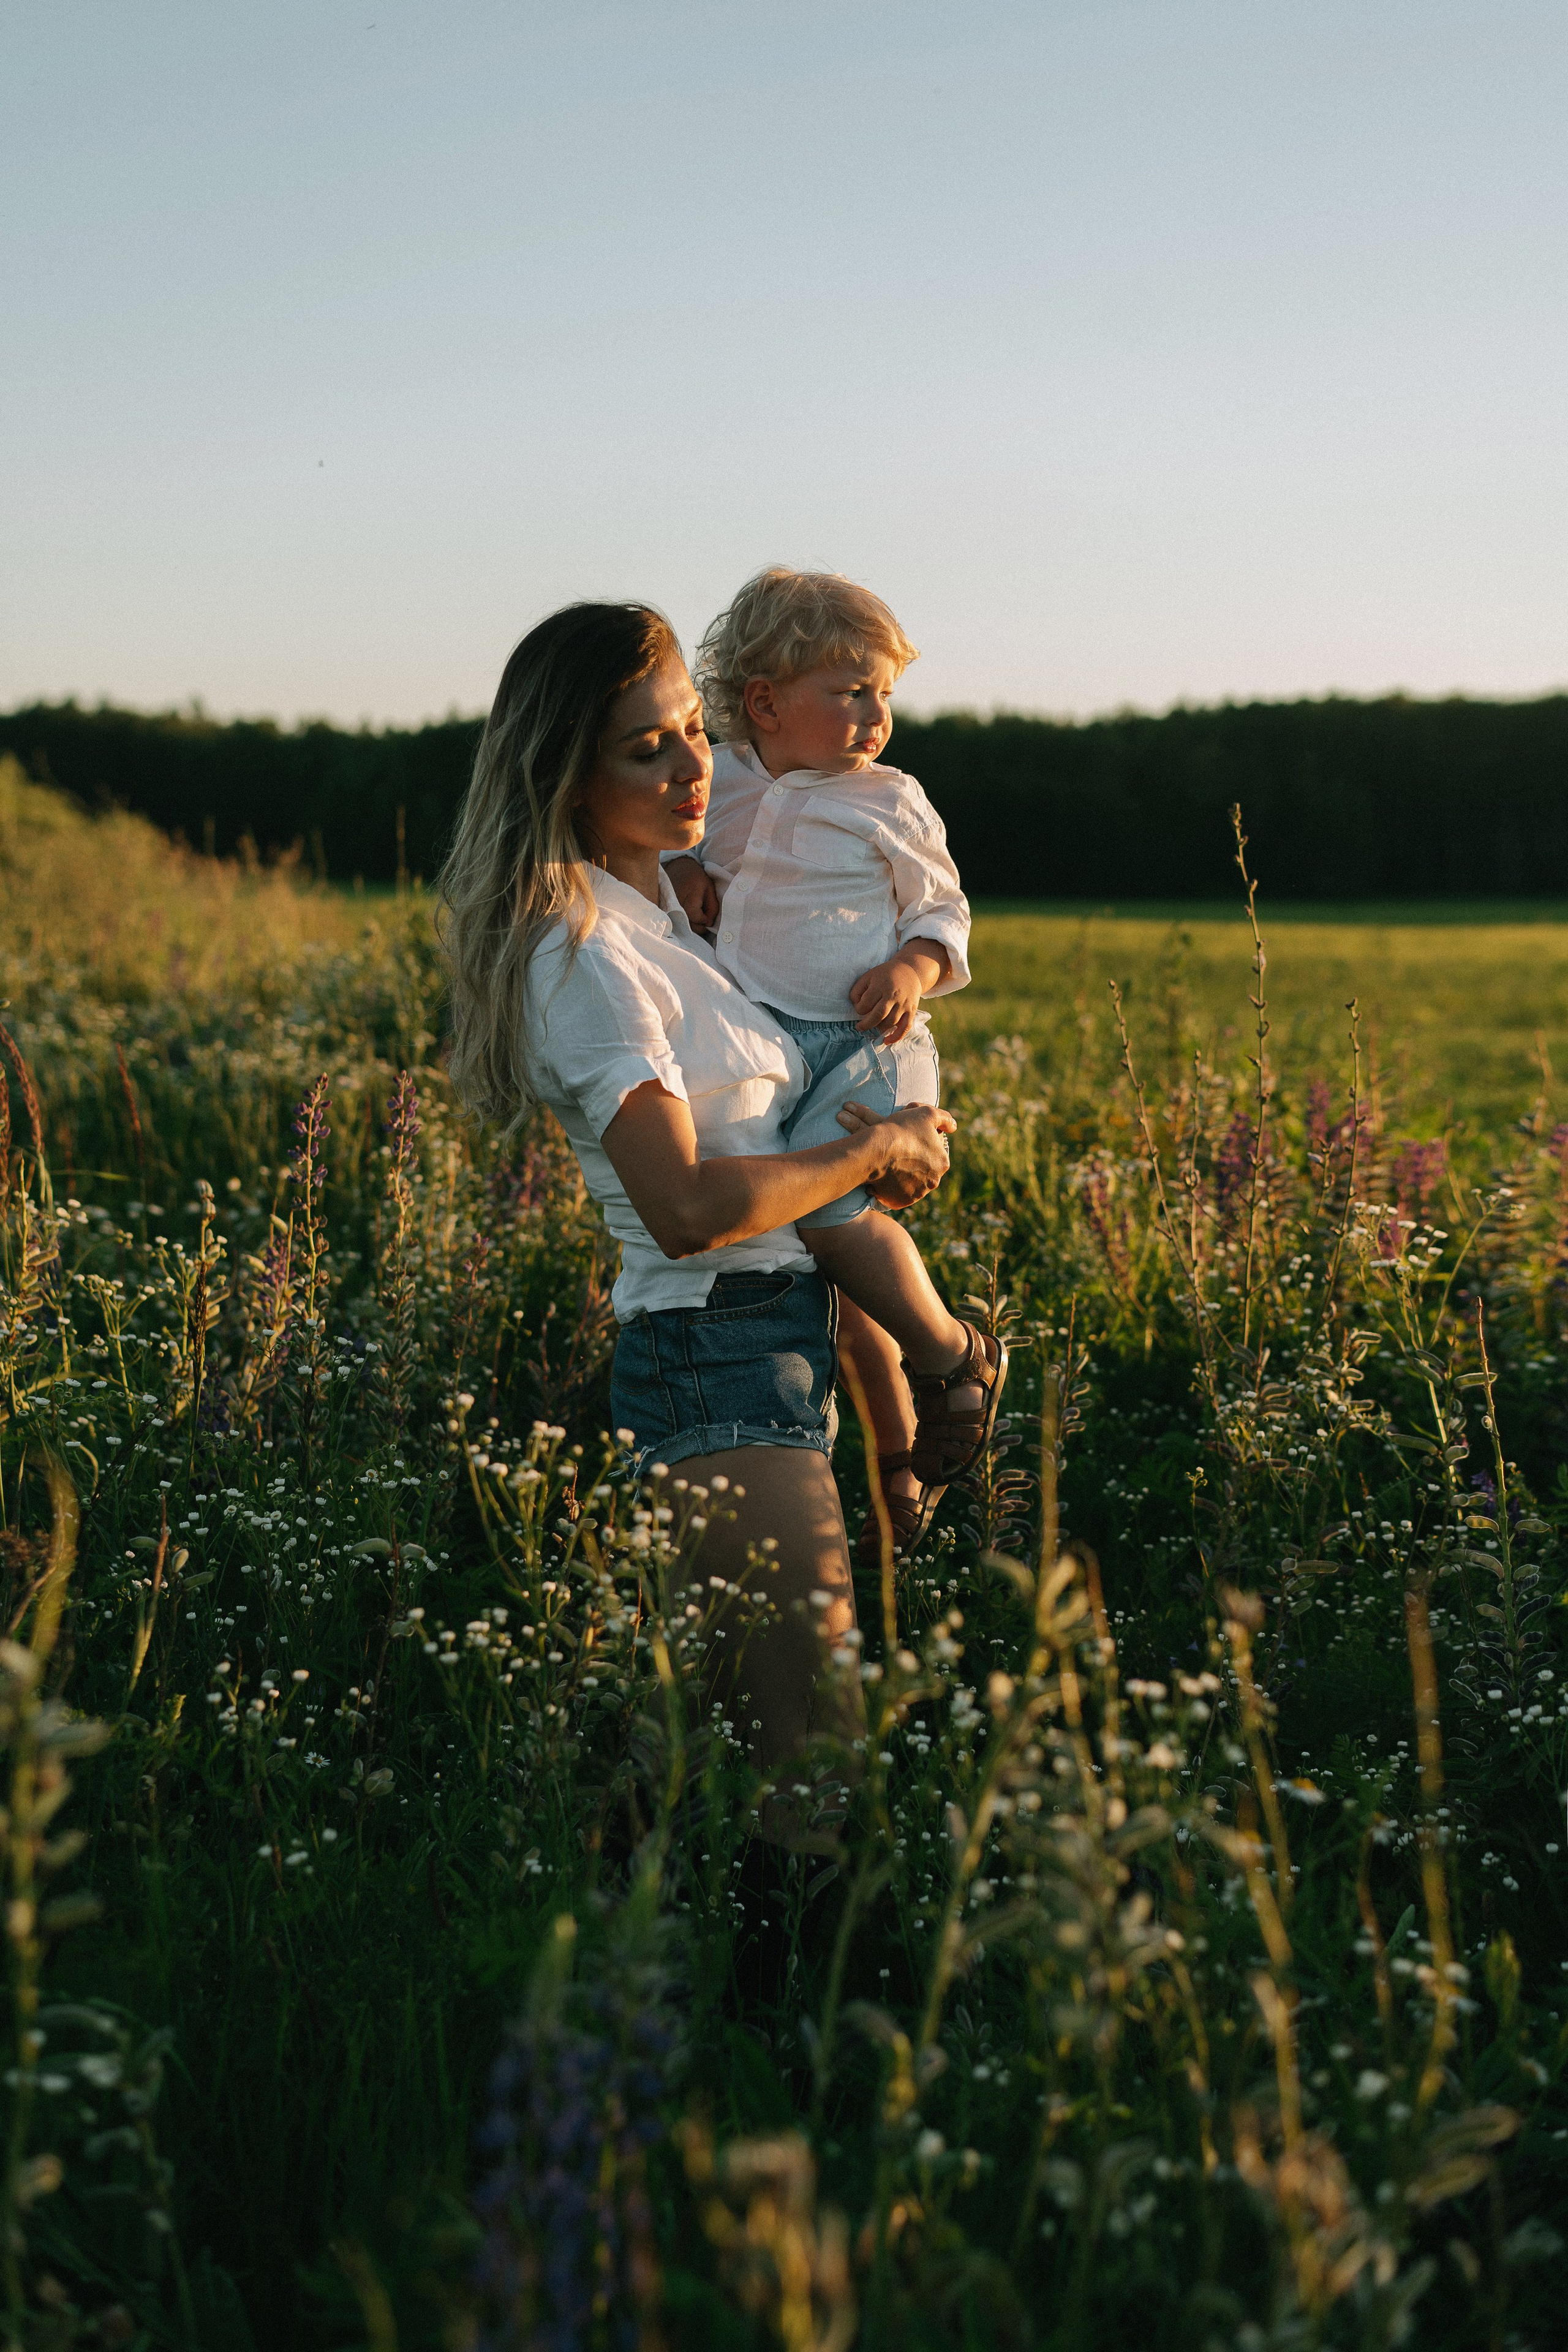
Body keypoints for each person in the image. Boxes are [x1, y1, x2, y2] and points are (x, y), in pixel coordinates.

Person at [438, 600, 971, 1806]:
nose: (691, 766)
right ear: (562, 775)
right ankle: (770, 1988)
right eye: (644, 747)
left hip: (771, 1340)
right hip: (711, 1354)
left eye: (691, 728)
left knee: (693, 1753)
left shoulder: (671, 920)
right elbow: (681, 1206)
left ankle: (646, 1978)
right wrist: (868, 1153)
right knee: (809, 1775)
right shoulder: (581, 950)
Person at [663, 566, 1005, 1562]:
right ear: (765, 701)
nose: (875, 715)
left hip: (869, 1045)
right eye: (850, 691)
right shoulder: (718, 779)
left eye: (885, 694)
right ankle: (905, 1499)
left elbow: (943, 910)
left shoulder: (892, 799)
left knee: (830, 1212)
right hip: (763, 1048)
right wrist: (683, 868)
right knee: (839, 1295)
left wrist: (911, 964)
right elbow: (661, 851)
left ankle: (952, 1356)